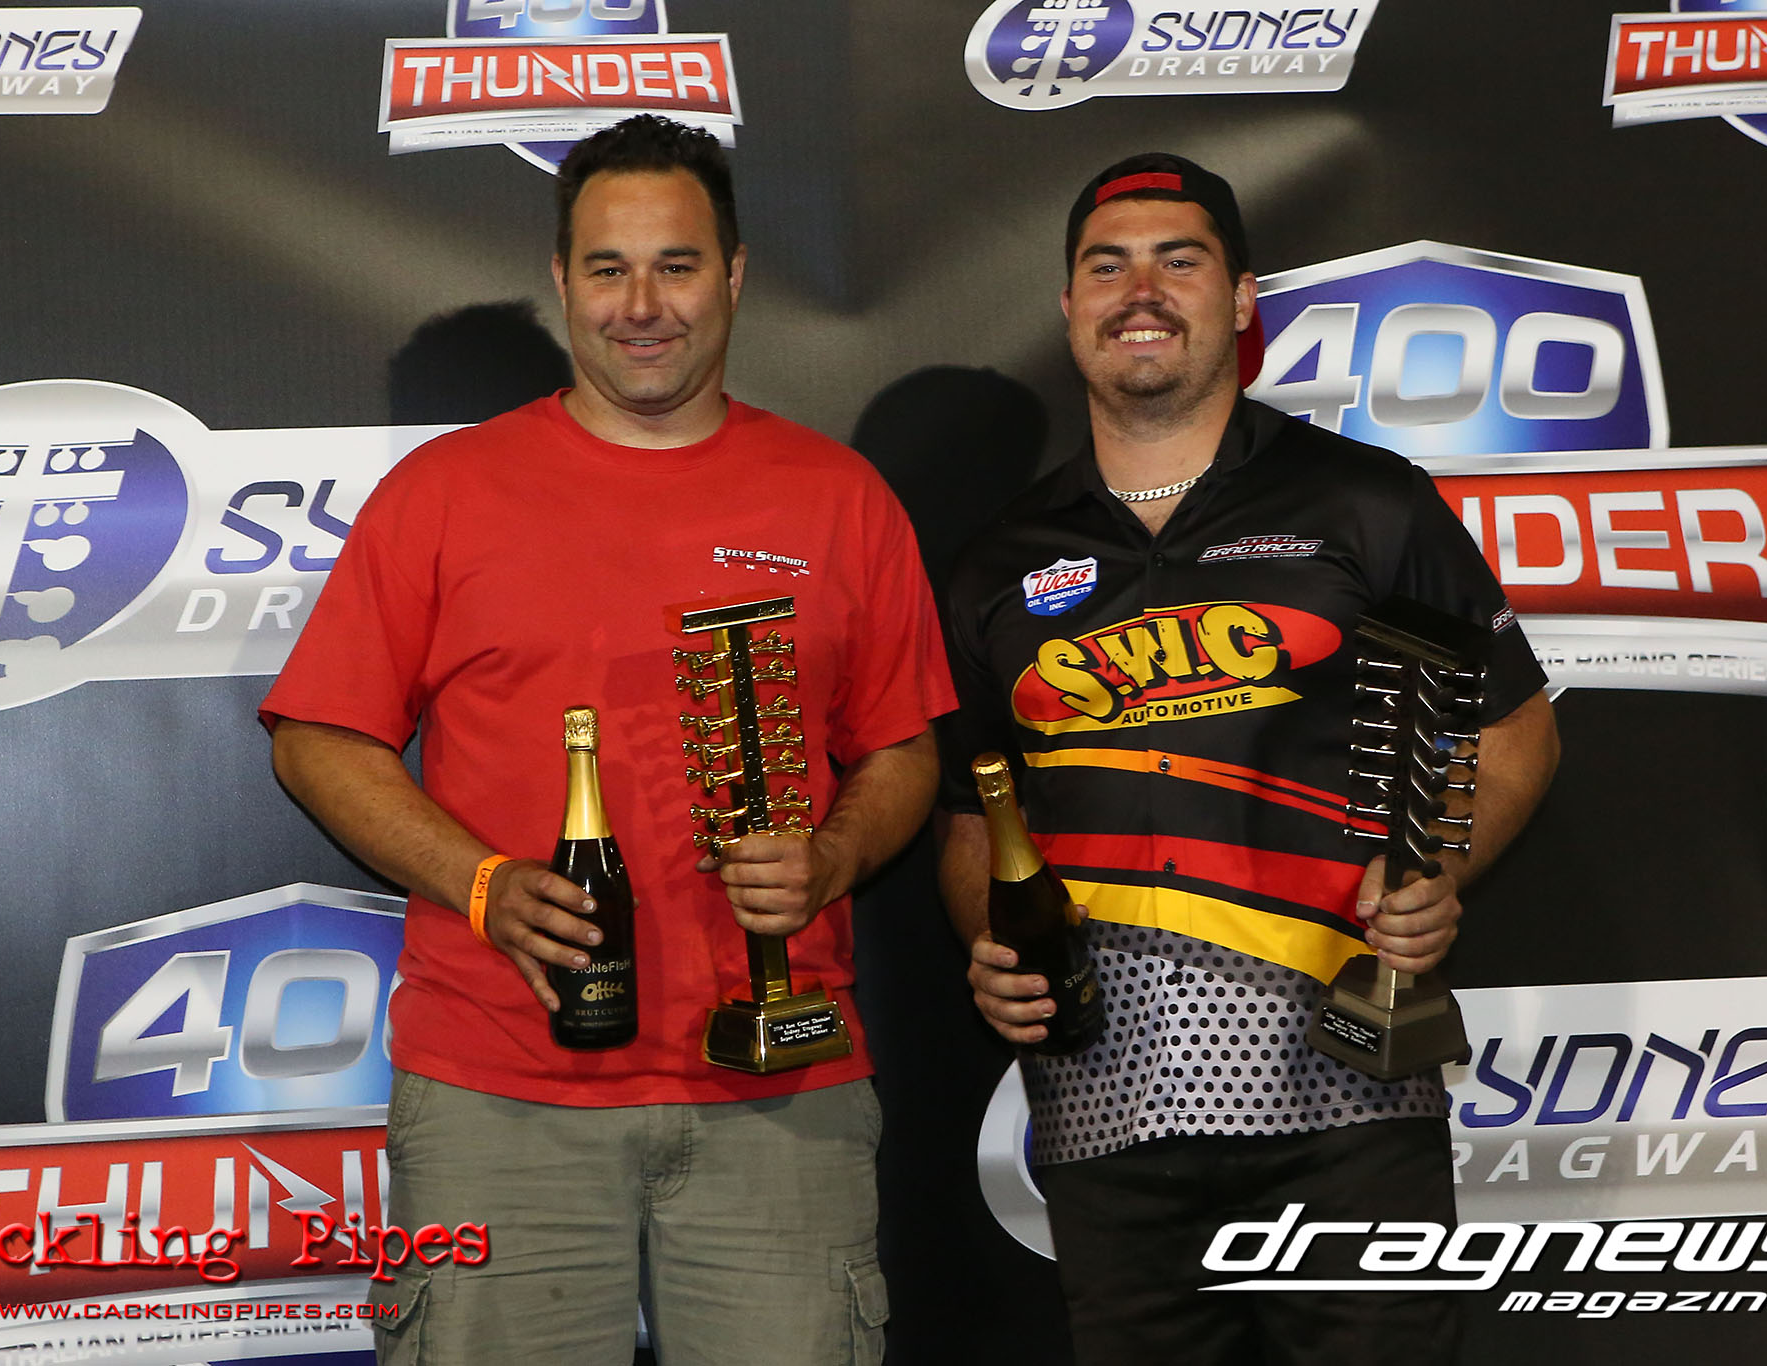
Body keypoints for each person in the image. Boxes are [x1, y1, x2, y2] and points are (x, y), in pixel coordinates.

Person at [264, 115, 953, 1366]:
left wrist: (835, 855)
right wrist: (479, 882)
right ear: (561, 278)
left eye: (676, 266)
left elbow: (902, 749)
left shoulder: (838, 498)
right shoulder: (445, 492)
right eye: (607, 268)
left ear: (732, 276)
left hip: (779, 1096)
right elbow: (317, 737)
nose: (641, 306)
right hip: (496, 1095)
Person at [937, 153, 1560, 1364]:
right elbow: (971, 812)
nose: (1140, 291)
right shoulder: (995, 562)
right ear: (1066, 307)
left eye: (1178, 260)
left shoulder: (1364, 502)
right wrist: (995, 945)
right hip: (1104, 1109)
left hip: (1345, 1088)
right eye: (1106, 266)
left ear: (1237, 300)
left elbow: (1512, 725)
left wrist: (1433, 874)